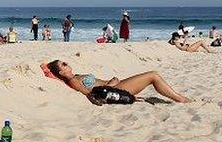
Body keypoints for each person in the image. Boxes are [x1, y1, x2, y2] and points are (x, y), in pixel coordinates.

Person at [46, 60, 189, 103]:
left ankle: (179, 98)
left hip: (115, 86)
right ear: (61, 72)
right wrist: (111, 84)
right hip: (113, 90)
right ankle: (180, 99)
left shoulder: (76, 76)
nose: (67, 63)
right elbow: (92, 95)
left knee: (152, 75)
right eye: (63, 64)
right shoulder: (73, 81)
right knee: (153, 75)